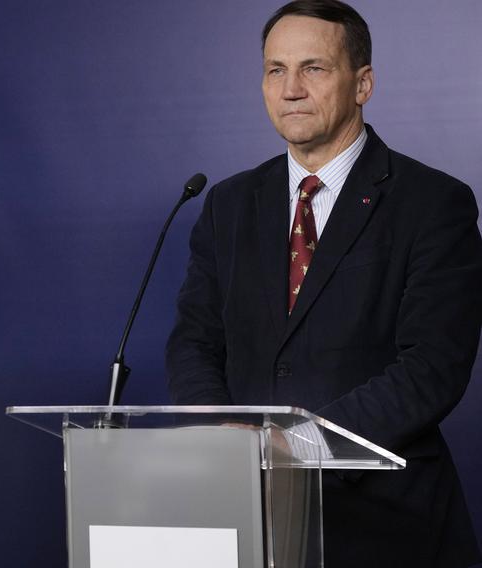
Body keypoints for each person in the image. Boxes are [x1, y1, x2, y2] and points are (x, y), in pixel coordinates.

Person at [166, 1, 482, 566]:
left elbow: (434, 364)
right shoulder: (229, 204)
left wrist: (298, 444)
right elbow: (194, 341)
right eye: (275, 70)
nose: (290, 89)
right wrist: (226, 442)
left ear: (363, 83)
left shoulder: (433, 203)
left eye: (313, 68)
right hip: (246, 514)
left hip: (383, 523)